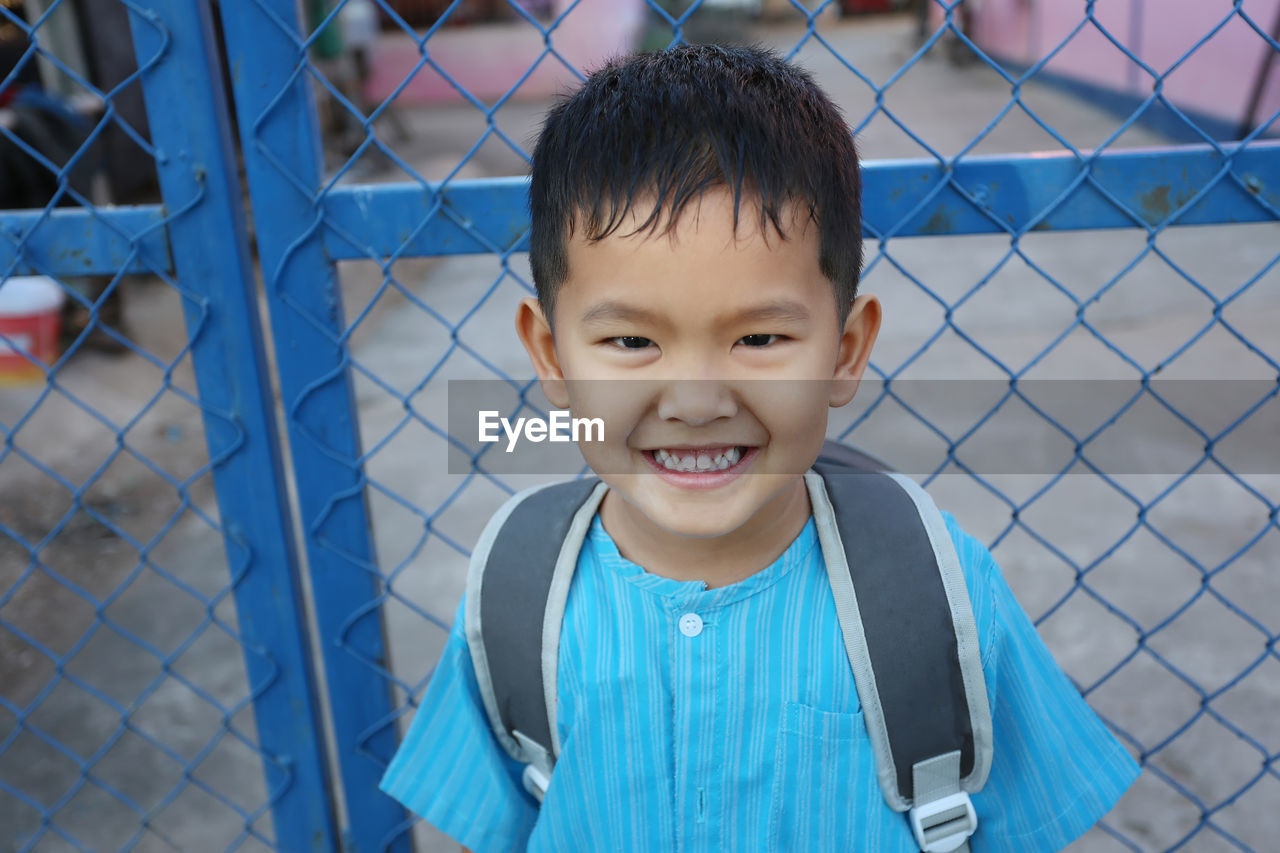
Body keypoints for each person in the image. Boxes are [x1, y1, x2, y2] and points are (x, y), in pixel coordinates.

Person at [380, 43, 1140, 852]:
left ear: (845, 351)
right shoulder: (514, 593)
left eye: (761, 337)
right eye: (633, 340)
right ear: (550, 357)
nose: (699, 403)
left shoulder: (935, 593)